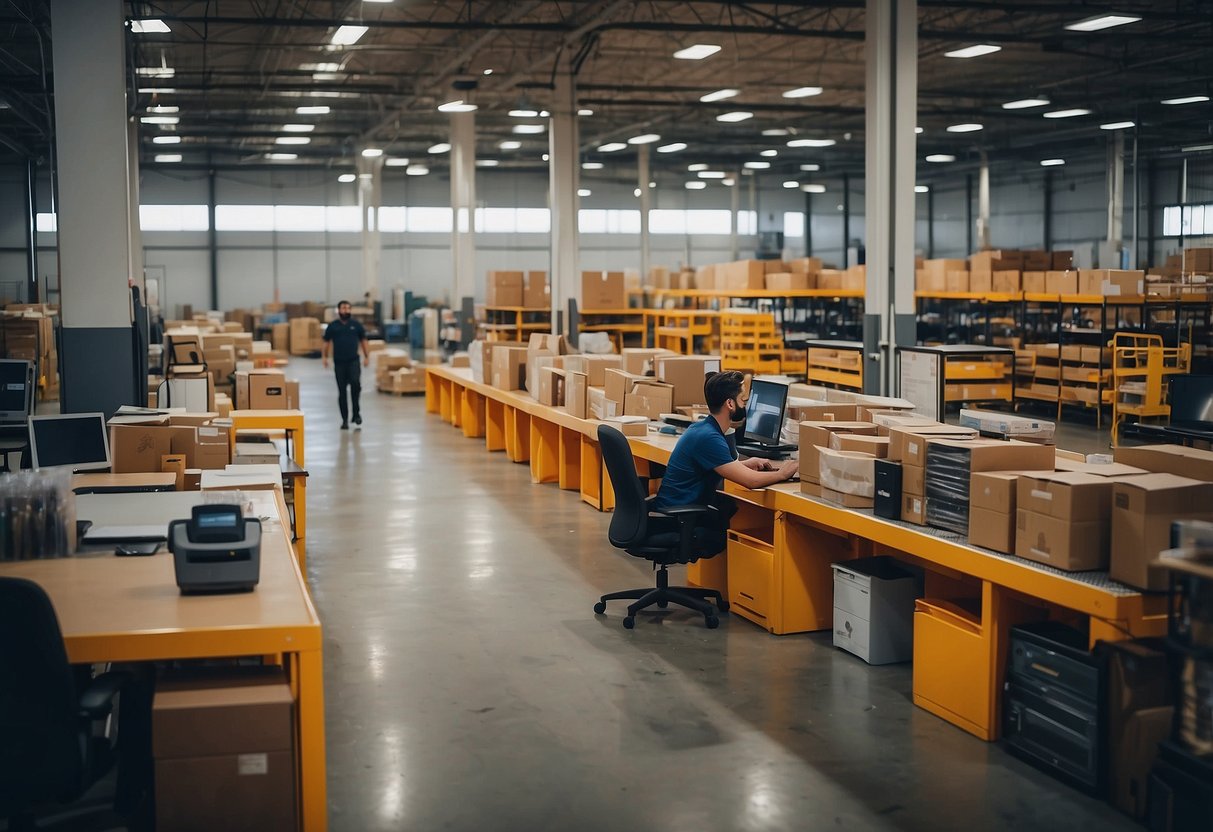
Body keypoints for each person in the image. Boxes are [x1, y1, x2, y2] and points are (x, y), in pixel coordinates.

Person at [653, 370, 798, 555]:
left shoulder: (703, 428)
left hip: (673, 511)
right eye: (743, 401)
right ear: (730, 404)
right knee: (728, 513)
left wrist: (745, 464)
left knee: (728, 508)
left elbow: (717, 468)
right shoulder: (709, 437)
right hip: (677, 519)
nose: (746, 406)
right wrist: (782, 473)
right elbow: (750, 482)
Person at [321, 300, 370, 430]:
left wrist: (366, 356)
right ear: (339, 310)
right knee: (342, 392)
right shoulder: (333, 326)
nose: (346, 310)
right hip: (339, 363)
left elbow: (363, 340)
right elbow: (326, 342)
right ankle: (344, 420)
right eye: (343, 308)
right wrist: (324, 357)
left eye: (348, 308)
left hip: (353, 361)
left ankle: (356, 414)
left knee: (355, 385)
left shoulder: (356, 325)